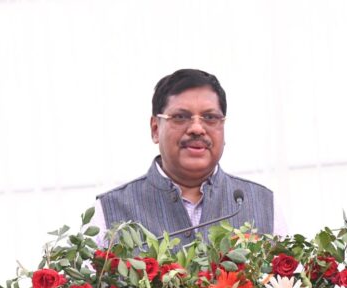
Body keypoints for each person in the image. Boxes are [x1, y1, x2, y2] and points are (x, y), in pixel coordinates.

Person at [93, 68, 276, 242]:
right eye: (181, 117)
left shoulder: (262, 204)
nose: (197, 128)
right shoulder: (109, 212)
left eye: (210, 117)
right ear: (155, 129)